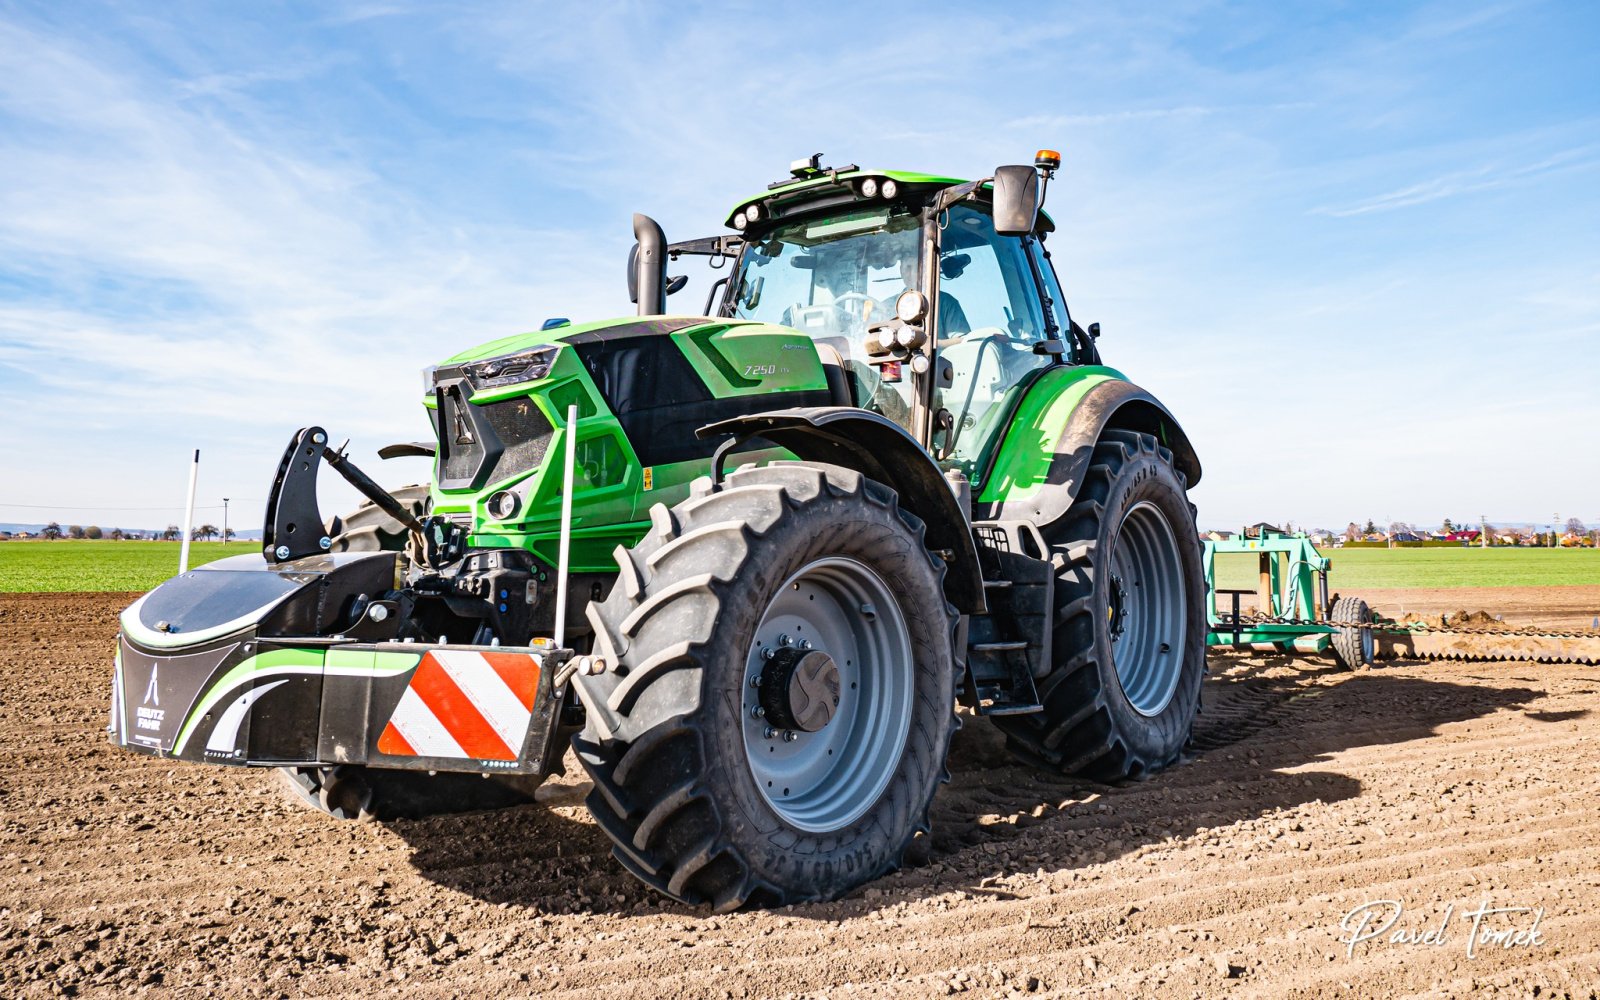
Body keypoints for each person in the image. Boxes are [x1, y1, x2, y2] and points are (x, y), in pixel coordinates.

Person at [897, 256, 971, 340]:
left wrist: (929, 345)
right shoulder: (887, 307)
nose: (913, 273)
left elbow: (962, 341)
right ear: (901, 271)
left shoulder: (945, 302)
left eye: (918, 267)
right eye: (908, 268)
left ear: (928, 269)